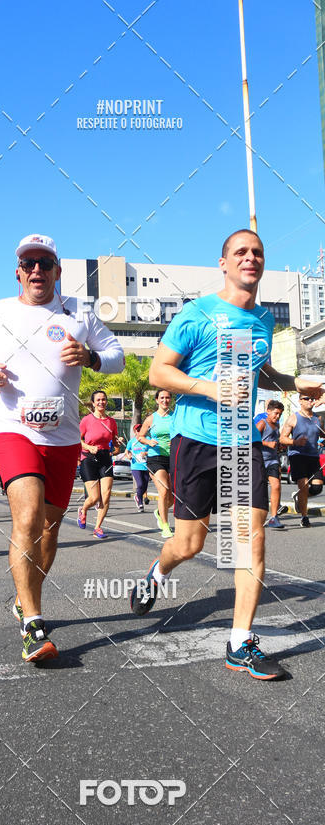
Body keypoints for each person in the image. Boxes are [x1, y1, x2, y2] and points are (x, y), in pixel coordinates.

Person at [129, 229, 324, 681]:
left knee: (248, 540)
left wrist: (293, 383)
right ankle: (158, 572)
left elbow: (260, 371)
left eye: (257, 252)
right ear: (223, 263)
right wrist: (211, 389)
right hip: (196, 439)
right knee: (189, 544)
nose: (250, 258)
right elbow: (159, 372)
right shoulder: (197, 313)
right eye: (240, 252)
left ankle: (240, 642)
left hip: (241, 442)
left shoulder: (262, 320)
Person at [0, 233, 123, 662]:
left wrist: (91, 358)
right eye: (29, 263)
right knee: (28, 516)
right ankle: (33, 625)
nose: (36, 269)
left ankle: (25, 599)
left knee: (50, 529)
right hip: (12, 429)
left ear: (58, 271)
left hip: (63, 437)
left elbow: (116, 354)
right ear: (18, 272)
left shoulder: (79, 311)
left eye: (45, 263)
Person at [77, 390, 121, 538]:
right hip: (89, 458)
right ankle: (83, 510)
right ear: (93, 403)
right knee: (94, 497)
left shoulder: (111, 422)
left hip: (105, 458)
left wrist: (117, 444)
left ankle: (98, 527)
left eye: (103, 399)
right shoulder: (86, 420)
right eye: (98, 400)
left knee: (106, 495)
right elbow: (77, 439)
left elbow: (115, 443)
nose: (101, 402)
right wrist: (88, 447)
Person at [280, 395, 325, 527]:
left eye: (312, 398)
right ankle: (304, 517)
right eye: (306, 398)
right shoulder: (293, 418)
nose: (310, 400)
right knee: (303, 485)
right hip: (297, 455)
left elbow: (322, 433)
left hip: (313, 456)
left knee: (317, 487)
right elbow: (282, 438)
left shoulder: (317, 419)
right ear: (300, 401)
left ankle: (298, 497)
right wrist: (295, 442)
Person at [137, 389, 174, 538]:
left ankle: (159, 512)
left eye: (168, 397)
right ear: (157, 400)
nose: (165, 400)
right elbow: (140, 436)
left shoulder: (175, 417)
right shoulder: (151, 419)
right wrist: (148, 441)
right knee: (163, 491)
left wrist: (176, 441)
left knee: (171, 498)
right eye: (162, 398)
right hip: (155, 458)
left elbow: (182, 434)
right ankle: (165, 526)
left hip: (172, 458)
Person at [255, 400, 285, 528]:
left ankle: (274, 518)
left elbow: (275, 440)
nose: (277, 416)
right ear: (268, 411)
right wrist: (267, 444)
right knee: (259, 490)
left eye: (280, 414)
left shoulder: (277, 425)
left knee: (276, 485)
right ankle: (256, 517)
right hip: (260, 460)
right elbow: (252, 440)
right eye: (276, 413)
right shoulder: (262, 423)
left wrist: (279, 446)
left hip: (273, 460)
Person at [126, 423, 149, 512]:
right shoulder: (132, 442)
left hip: (146, 466)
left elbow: (153, 450)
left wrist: (145, 453)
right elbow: (127, 451)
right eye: (138, 430)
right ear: (135, 432)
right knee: (140, 484)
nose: (140, 431)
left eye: (141, 429)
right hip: (136, 466)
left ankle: (137, 496)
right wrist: (128, 455)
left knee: (145, 486)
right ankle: (140, 503)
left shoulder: (148, 439)